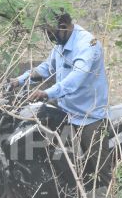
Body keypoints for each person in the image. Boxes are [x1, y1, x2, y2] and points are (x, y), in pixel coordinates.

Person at [10, 10, 111, 184]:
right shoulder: (62, 43)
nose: (49, 37)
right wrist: (18, 81)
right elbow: (47, 69)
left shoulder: (88, 45)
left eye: (50, 33)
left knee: (101, 170)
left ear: (62, 27)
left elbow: (75, 80)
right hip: (65, 106)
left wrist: (47, 93)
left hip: (89, 113)